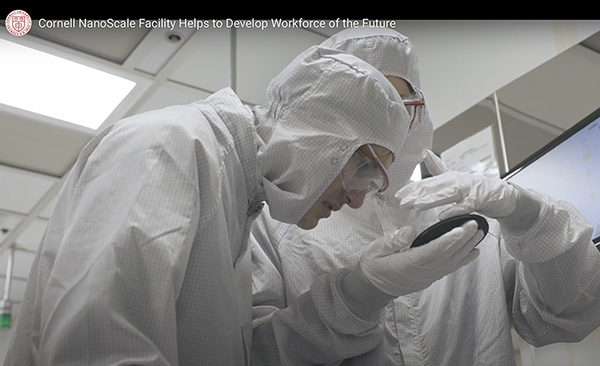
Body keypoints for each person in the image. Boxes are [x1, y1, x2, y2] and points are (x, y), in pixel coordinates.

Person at [4, 44, 414, 365]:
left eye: (373, 182)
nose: (358, 199)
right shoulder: (172, 144)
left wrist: (357, 295)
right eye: (364, 167)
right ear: (321, 131)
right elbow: (98, 343)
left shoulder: (236, 201)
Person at [250, 27, 600, 365]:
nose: (385, 122)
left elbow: (568, 314)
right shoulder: (277, 219)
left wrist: (528, 215)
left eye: (398, 107)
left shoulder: (468, 206)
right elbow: (255, 353)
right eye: (366, 104)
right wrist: (355, 296)